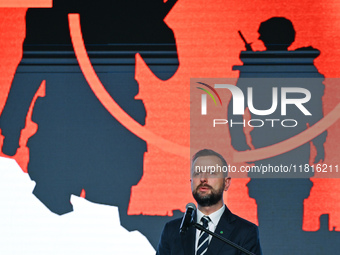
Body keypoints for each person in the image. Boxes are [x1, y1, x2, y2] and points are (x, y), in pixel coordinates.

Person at [156, 149, 262, 255]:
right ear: (191, 182)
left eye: (212, 173)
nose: (203, 178)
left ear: (226, 183)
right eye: (197, 173)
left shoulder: (245, 232)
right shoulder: (173, 230)